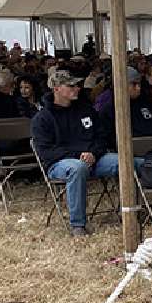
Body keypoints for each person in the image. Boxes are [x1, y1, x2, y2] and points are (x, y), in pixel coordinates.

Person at [31, 70, 127, 236]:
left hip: (94, 158)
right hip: (60, 163)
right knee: (77, 167)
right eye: (71, 85)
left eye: (77, 85)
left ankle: (128, 210)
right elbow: (46, 152)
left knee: (126, 161)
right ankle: (78, 225)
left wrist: (93, 154)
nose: (77, 88)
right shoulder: (42, 118)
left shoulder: (86, 110)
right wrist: (79, 155)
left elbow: (102, 136)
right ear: (56, 88)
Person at [97, 67, 152, 146]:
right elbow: (107, 138)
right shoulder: (109, 110)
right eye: (134, 84)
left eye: (139, 84)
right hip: (125, 152)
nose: (138, 88)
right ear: (122, 85)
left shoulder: (147, 103)